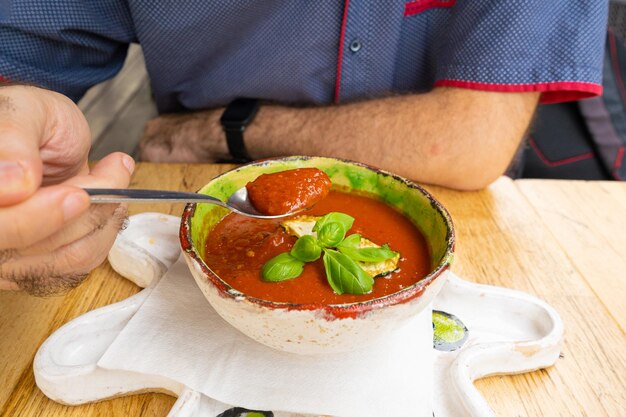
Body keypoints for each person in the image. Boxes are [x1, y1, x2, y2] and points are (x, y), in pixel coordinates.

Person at [0, 1, 608, 295]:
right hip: (190, 203)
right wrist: (15, 126)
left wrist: (222, 129)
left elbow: (469, 142)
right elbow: (18, 53)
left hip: (475, 232)